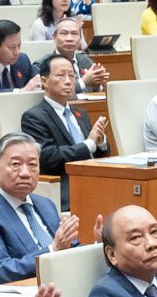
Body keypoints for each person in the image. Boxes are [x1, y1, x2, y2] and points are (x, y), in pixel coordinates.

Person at [0, 133, 76, 286]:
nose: (25, 173)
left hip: (64, 282)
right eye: (16, 164)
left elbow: (69, 247)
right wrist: (51, 251)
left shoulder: (46, 204)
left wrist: (99, 244)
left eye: (32, 165)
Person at [20, 52, 106, 192]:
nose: (68, 81)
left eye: (72, 76)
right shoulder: (34, 117)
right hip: (64, 185)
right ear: (44, 81)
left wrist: (100, 142)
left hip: (94, 179)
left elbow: (98, 156)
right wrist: (89, 144)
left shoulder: (80, 114)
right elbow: (49, 158)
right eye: (61, 75)